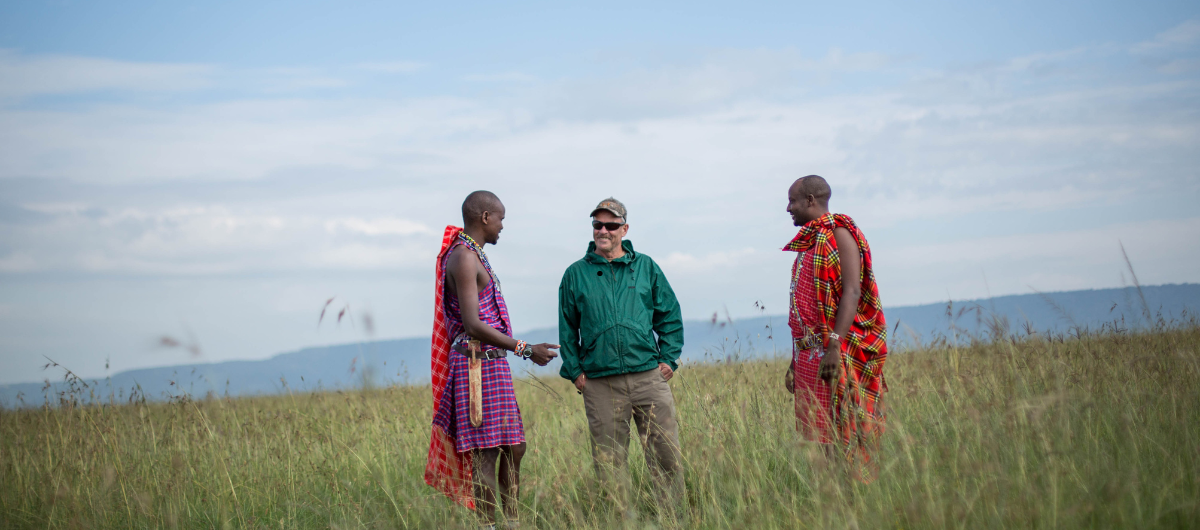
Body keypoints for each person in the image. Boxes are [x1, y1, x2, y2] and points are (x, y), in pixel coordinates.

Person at [424, 190, 559, 530]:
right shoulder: (463, 257)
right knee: (486, 453)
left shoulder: (473, 254)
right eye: (500, 219)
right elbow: (472, 324)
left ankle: (512, 523)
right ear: (485, 217)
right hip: (475, 366)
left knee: (515, 447)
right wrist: (524, 348)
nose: (502, 226)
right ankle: (489, 527)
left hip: (491, 363)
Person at [557, 197, 685, 509]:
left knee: (666, 456)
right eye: (597, 224)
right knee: (609, 465)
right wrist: (575, 372)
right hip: (600, 384)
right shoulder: (575, 274)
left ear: (624, 229)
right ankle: (621, 520)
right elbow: (567, 328)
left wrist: (668, 358)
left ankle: (672, 519)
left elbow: (669, 315)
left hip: (648, 378)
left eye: (611, 225)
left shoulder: (646, 267)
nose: (603, 230)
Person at [782, 175, 888, 480]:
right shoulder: (809, 241)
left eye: (792, 201)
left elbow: (852, 292)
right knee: (818, 439)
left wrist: (834, 345)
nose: (788, 208)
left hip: (833, 351)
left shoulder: (840, 234)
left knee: (842, 433)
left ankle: (851, 495)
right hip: (808, 354)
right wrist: (794, 361)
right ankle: (829, 497)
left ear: (810, 200)